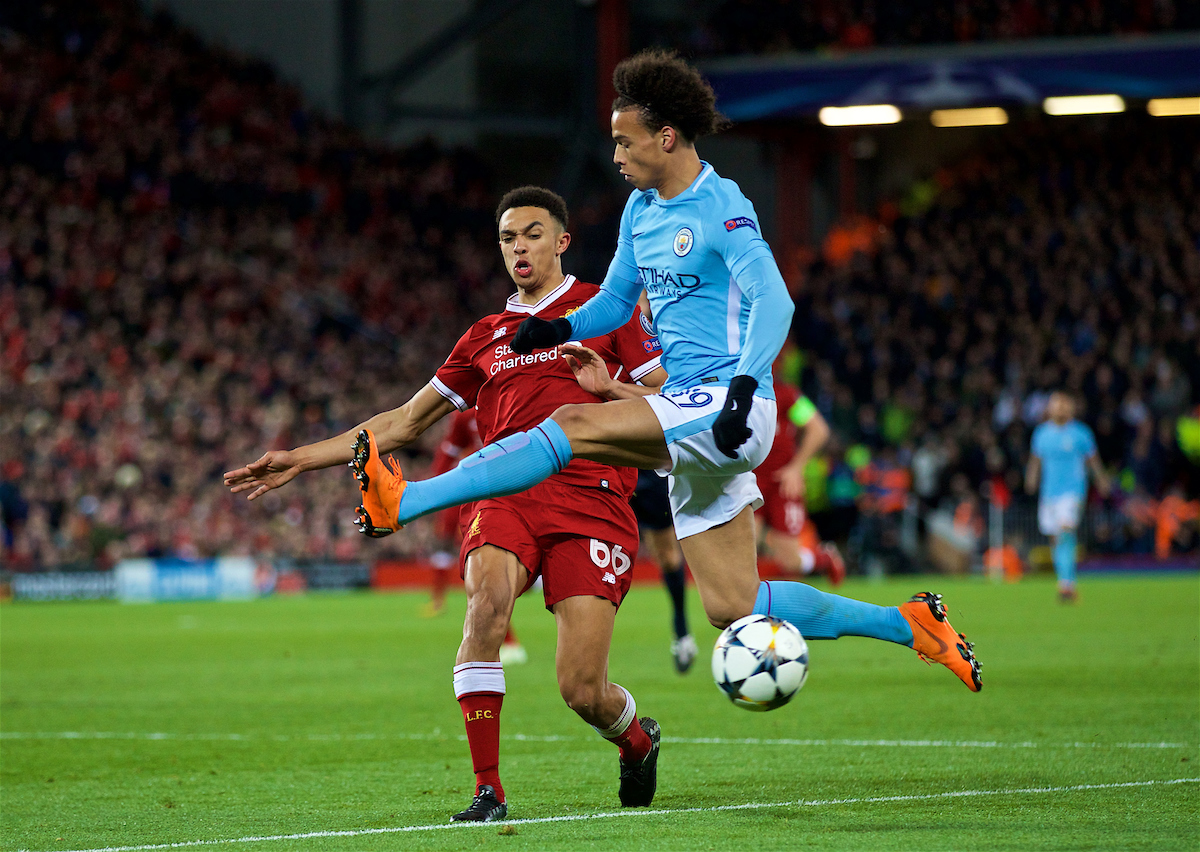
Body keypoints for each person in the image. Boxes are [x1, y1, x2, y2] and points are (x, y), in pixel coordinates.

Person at [341, 50, 980, 693]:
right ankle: (912, 624)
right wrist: (561, 327)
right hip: (688, 410)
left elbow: (775, 300)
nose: (615, 156)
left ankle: (410, 497)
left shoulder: (722, 207)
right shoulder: (642, 212)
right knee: (733, 604)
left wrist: (744, 390)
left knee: (570, 424)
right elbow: (616, 302)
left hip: (728, 406)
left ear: (665, 137)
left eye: (624, 141)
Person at [226, 186, 668, 821]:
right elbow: (404, 423)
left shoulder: (607, 311)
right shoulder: (485, 336)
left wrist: (609, 385)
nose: (519, 247)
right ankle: (489, 791)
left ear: (562, 241)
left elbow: (664, 410)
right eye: (508, 237)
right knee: (485, 609)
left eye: (533, 234)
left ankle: (634, 739)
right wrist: (302, 457)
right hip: (503, 491)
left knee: (581, 688)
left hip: (592, 496)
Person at [423, 409, 526, 662]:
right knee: (477, 562)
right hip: (476, 490)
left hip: (513, 487)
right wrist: (433, 489)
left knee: (489, 566)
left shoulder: (512, 400)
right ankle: (506, 640)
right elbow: (448, 451)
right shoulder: (465, 415)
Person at [756, 370, 846, 585]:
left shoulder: (786, 395)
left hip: (782, 485)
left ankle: (821, 558)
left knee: (790, 562)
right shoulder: (734, 392)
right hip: (750, 484)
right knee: (743, 553)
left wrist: (796, 467)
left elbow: (819, 429)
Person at [1026, 391, 1110, 601]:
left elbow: (1093, 461)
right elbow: (1035, 461)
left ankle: (1066, 584)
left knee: (1065, 532)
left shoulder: (1081, 433)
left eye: (1064, 404)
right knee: (1055, 538)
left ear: (1071, 408)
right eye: (1057, 404)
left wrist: (1101, 480)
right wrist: (1031, 479)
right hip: (1049, 494)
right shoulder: (1042, 433)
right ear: (1050, 409)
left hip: (1073, 492)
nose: (1061, 408)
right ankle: (1065, 579)